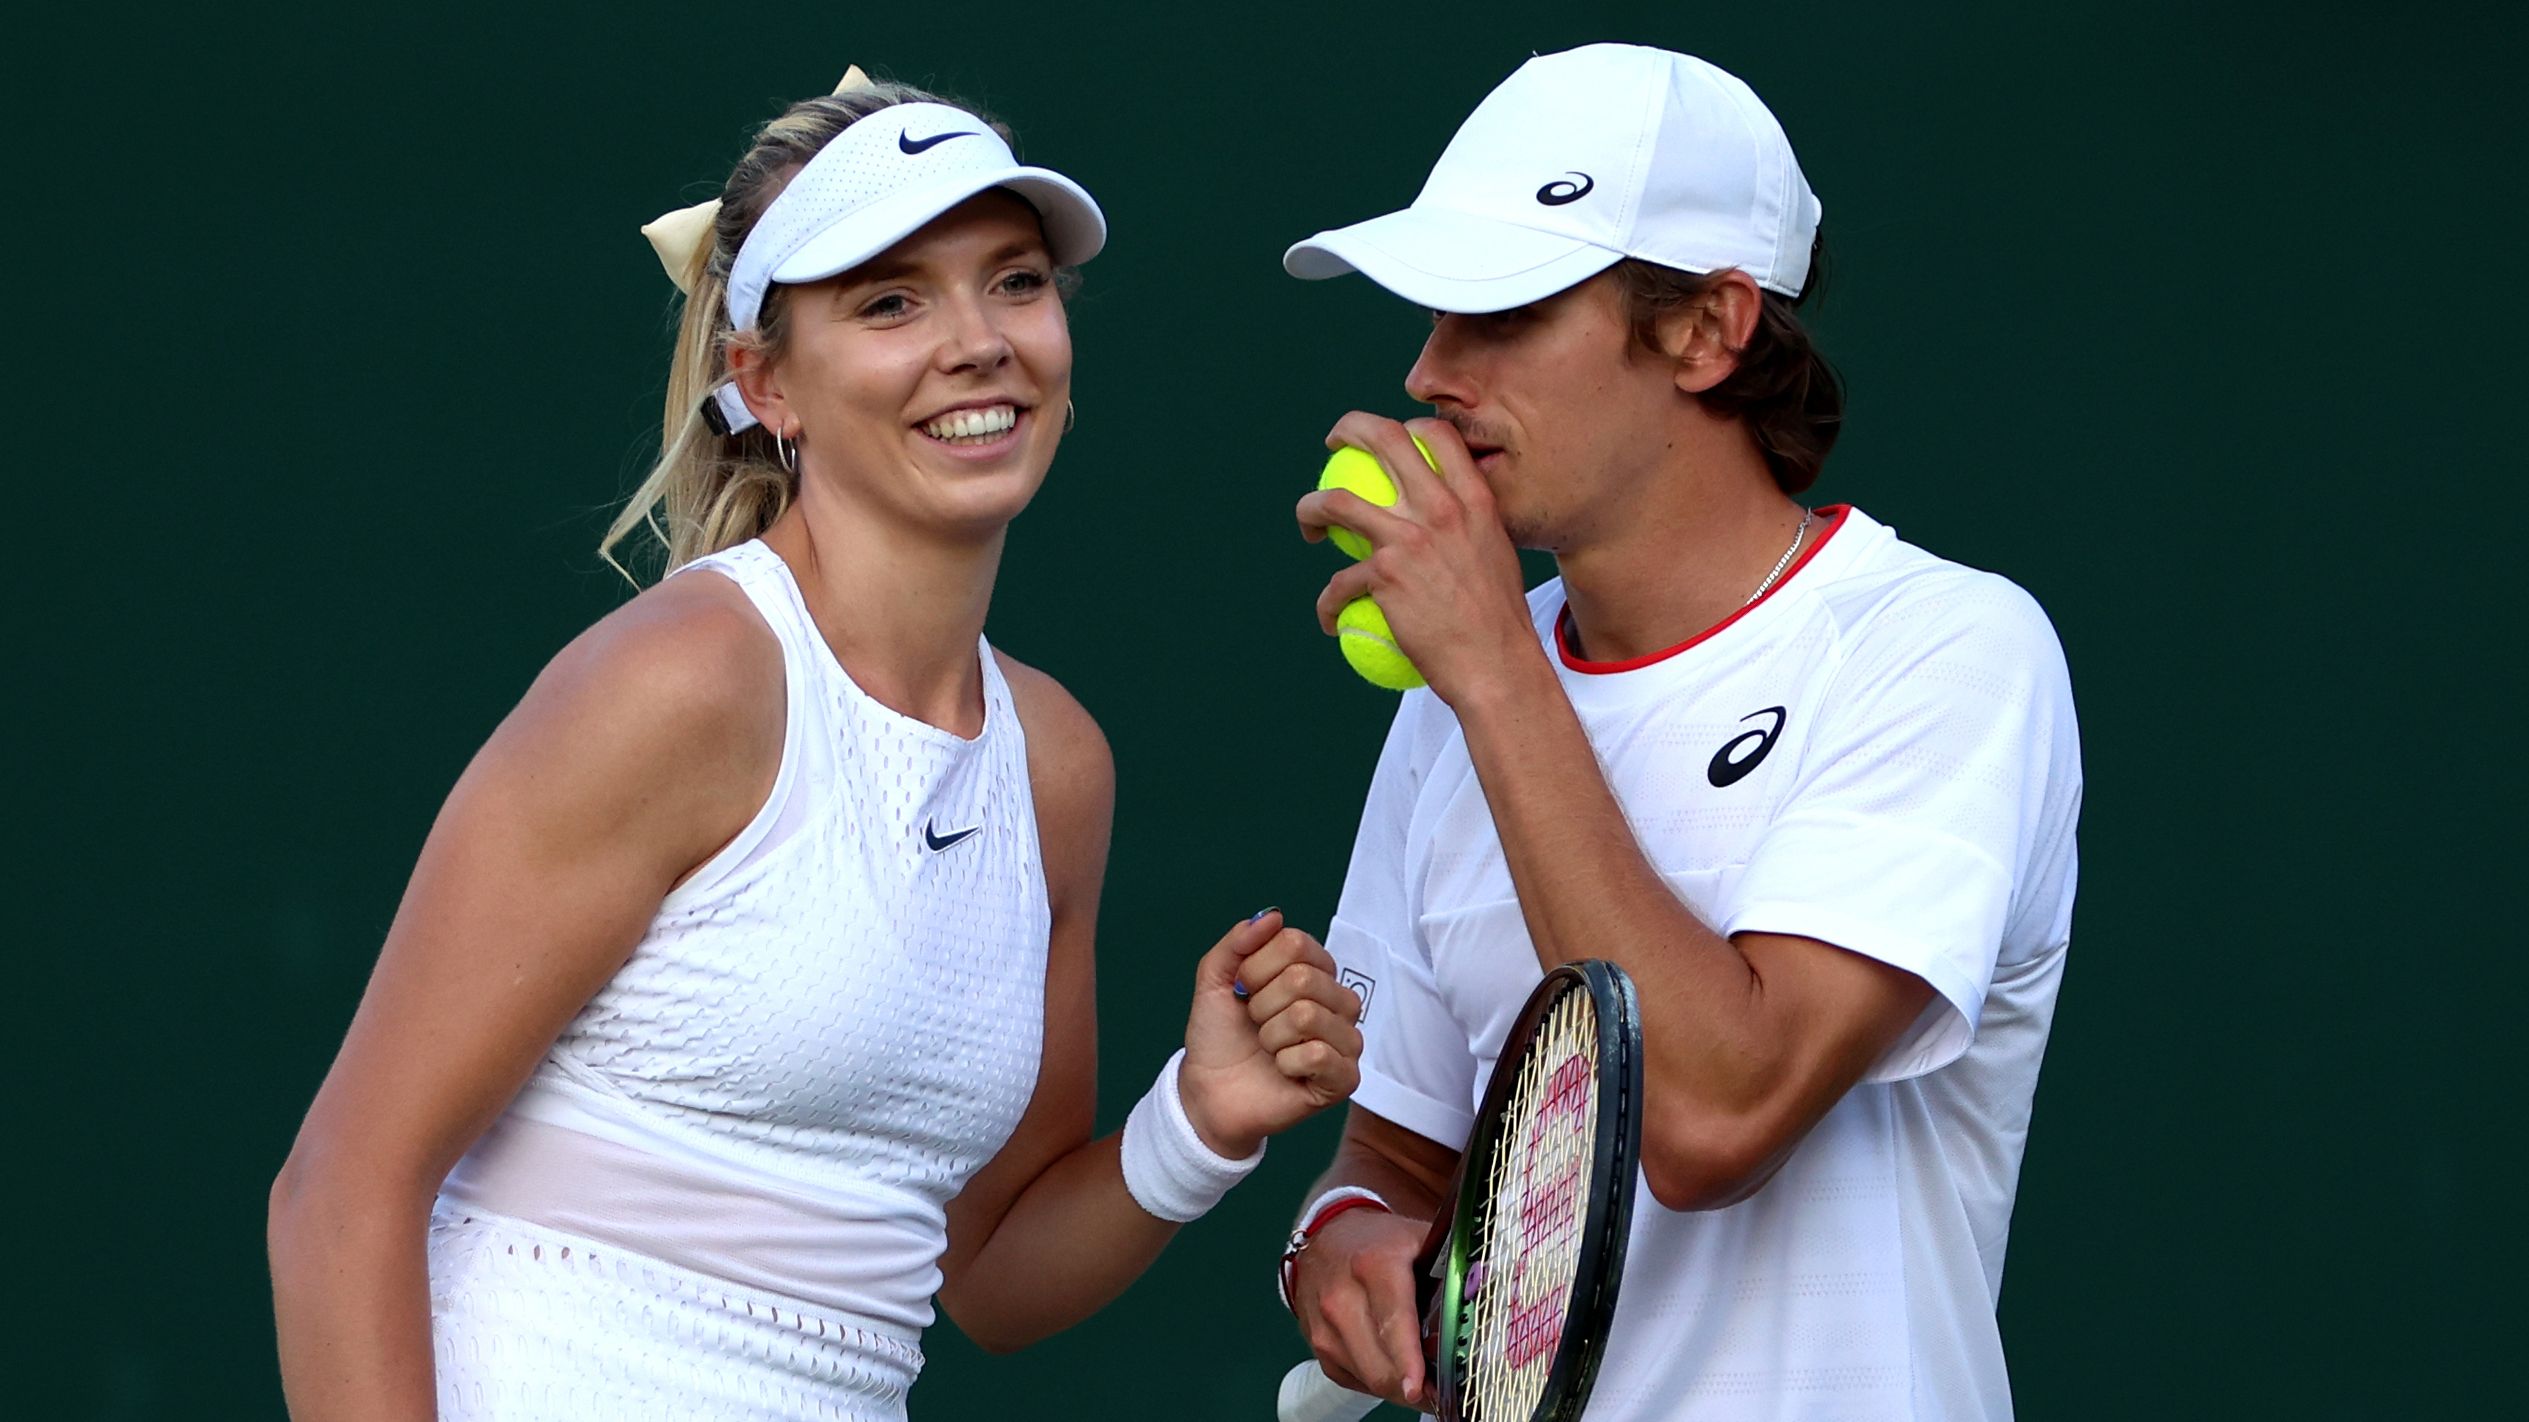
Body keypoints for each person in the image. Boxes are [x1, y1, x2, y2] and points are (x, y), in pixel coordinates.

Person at [266, 69, 1363, 1421]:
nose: (977, 341)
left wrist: (1197, 1120)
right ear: (765, 383)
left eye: (1013, 282)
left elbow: (988, 1271)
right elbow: (340, 1190)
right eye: (891, 300)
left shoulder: (1058, 765)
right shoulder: (684, 682)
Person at [1275, 43, 2081, 1421]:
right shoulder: (1452, 700)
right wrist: (1336, 1243)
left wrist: (1490, 669)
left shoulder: (1946, 648)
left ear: (1708, 329)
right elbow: (1396, 1155)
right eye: (1430, 314)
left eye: (1503, 311)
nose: (1428, 369)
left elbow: (1713, 1118)